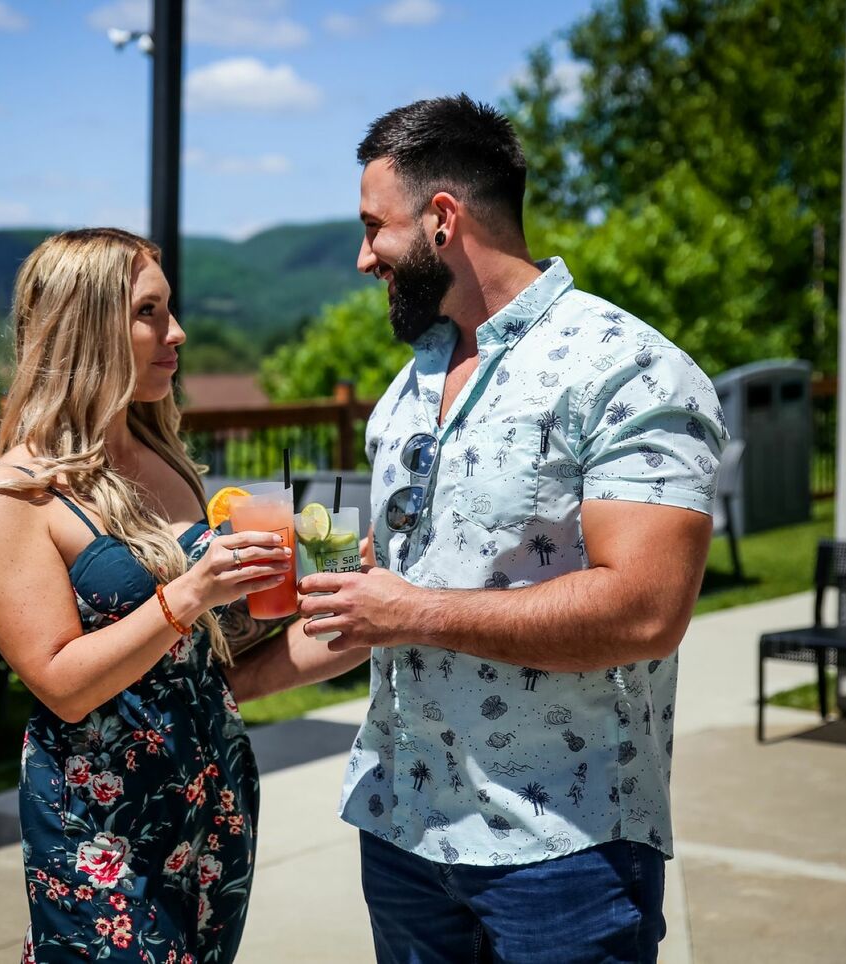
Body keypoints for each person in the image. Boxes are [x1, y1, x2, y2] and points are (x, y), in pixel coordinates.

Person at [295, 95, 726, 963]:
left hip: (560, 848)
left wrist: (413, 610)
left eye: (375, 226)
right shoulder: (411, 381)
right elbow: (391, 581)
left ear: (442, 219)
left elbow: (646, 610)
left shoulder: (628, 369)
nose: (362, 256)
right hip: (401, 825)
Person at [0, 228, 295, 964]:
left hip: (213, 794)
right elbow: (62, 685)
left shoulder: (164, 455)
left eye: (169, 310)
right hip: (102, 820)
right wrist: (191, 592)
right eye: (150, 313)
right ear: (85, 326)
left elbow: (209, 661)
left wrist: (338, 612)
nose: (176, 333)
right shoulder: (17, 493)